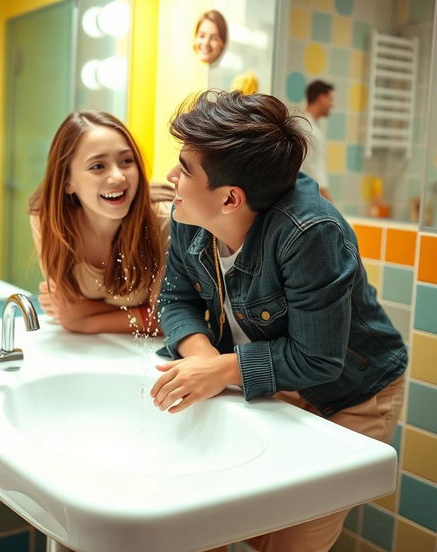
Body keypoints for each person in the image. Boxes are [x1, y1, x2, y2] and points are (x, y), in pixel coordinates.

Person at [150, 90, 407, 552]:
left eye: (185, 169)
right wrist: (204, 357)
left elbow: (318, 359)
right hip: (277, 376)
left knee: (289, 542)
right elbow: (175, 296)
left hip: (352, 393)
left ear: (230, 198)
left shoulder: (310, 232)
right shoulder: (193, 211)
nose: (172, 176)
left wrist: (223, 370)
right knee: (223, 521)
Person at [29, 111, 172, 335]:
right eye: (97, 166)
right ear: (68, 182)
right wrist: (138, 312)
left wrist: (87, 321)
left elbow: (169, 318)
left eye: (126, 161)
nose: (118, 177)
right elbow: (66, 306)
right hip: (97, 348)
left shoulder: (164, 219)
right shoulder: (47, 219)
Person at [301, 80, 334, 201]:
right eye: (330, 99)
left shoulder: (313, 126)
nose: (332, 104)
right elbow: (311, 169)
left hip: (314, 194)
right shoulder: (306, 128)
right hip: (311, 195)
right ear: (321, 98)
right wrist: (326, 198)